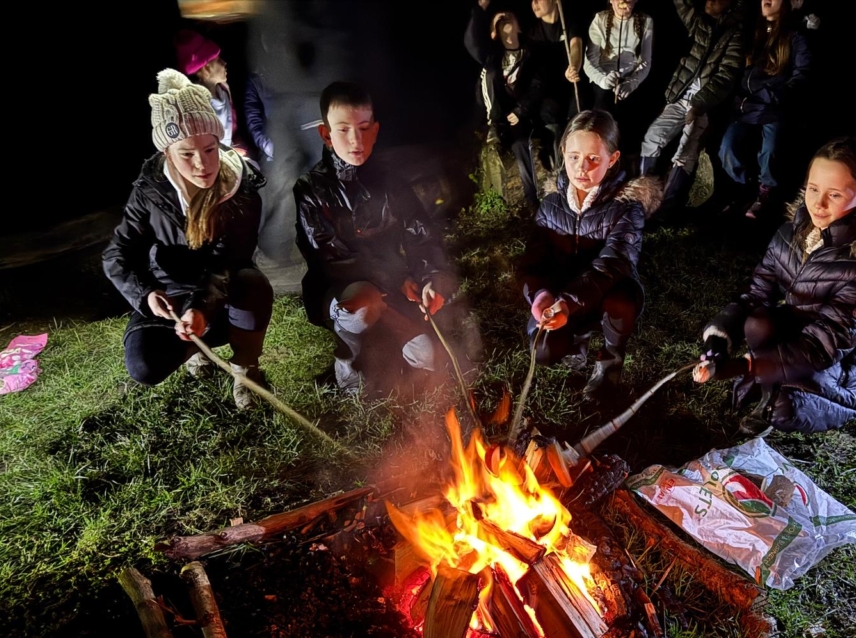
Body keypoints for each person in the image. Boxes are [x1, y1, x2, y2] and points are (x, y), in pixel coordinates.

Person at [693, 136, 856, 434]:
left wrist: (743, 366)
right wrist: (719, 340)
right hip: (805, 333)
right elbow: (756, 295)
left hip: (848, 360)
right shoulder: (791, 234)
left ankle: (773, 391)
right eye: (813, 189)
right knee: (757, 322)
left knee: (783, 410)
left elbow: (822, 347)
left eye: (835, 195)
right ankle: (768, 381)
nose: (818, 203)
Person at [103, 69, 271, 410]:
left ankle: (245, 369)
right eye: (187, 154)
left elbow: (228, 262)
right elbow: (117, 253)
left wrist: (201, 308)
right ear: (167, 153)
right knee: (144, 366)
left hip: (223, 288)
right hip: (172, 291)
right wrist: (146, 294)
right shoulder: (150, 189)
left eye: (210, 149)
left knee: (252, 283)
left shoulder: (240, 188)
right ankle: (195, 350)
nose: (202, 164)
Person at [293, 82, 458, 395]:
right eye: (343, 130)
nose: (356, 140)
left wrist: (429, 278)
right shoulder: (311, 190)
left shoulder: (391, 181)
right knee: (363, 308)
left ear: (375, 130)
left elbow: (420, 235)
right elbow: (332, 259)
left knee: (430, 358)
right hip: (343, 291)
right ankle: (348, 373)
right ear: (325, 134)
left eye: (364, 128)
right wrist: (396, 279)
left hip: (392, 285)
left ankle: (384, 344)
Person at [517, 110, 661, 401]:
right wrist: (541, 295)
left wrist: (569, 302)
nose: (582, 168)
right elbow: (532, 261)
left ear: (613, 158)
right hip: (563, 297)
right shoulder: (551, 205)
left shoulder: (626, 207)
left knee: (620, 301)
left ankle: (609, 362)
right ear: (563, 153)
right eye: (574, 157)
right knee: (543, 351)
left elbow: (614, 262)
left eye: (594, 158)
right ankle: (575, 342)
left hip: (607, 289)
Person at [639, 0, 745, 223]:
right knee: (652, 137)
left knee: (686, 151)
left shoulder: (735, 35)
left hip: (705, 105)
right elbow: (682, 5)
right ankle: (642, 199)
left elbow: (726, 76)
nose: (710, 1)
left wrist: (699, 104)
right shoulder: (700, 23)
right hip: (679, 97)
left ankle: (665, 209)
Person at [716, 0, 810, 219]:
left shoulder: (794, 36)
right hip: (743, 106)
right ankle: (742, 190)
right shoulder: (751, 32)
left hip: (772, 106)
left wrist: (776, 94)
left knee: (770, 149)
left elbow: (802, 73)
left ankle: (765, 193)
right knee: (727, 148)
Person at [465, 1, 546, 207]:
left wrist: (521, 111)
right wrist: (479, 10)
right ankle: (493, 125)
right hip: (497, 115)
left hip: (519, 114)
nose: (504, 19)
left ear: (519, 27)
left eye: (508, 17)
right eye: (499, 20)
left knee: (520, 144)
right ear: (494, 31)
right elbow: (472, 43)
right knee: (488, 72)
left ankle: (531, 200)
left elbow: (537, 86)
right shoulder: (492, 56)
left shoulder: (531, 54)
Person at [527, 0, 588, 169]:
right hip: (549, 92)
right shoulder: (533, 33)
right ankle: (560, 172)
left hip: (571, 86)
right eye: (532, 1)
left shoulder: (569, 23)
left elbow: (576, 46)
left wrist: (573, 66)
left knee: (577, 119)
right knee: (550, 117)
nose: (534, 4)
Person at [174, 30, 250, 157]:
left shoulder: (223, 90)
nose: (224, 63)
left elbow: (230, 126)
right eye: (219, 60)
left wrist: (234, 143)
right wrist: (227, 152)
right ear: (206, 68)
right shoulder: (194, 105)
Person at [583, 0, 654, 124]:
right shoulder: (600, 19)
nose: (623, 1)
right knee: (602, 113)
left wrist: (632, 83)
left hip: (630, 78)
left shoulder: (646, 21)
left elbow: (646, 61)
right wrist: (603, 81)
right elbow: (589, 62)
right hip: (603, 77)